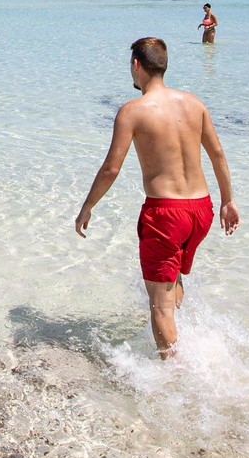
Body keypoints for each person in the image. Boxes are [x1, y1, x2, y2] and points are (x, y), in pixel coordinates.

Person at [74, 37, 239, 357]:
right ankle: (181, 340)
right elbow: (217, 154)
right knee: (173, 277)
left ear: (137, 65)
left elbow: (111, 168)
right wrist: (227, 201)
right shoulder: (194, 103)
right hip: (201, 210)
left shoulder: (132, 111)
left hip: (166, 214)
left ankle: (174, 382)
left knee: (158, 307)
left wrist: (87, 207)